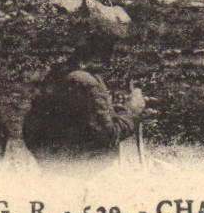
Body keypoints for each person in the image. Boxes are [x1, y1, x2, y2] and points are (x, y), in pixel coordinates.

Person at [22, 28, 146, 165]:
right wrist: (132, 111)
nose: (110, 56)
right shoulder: (86, 82)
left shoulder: (56, 75)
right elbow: (108, 135)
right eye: (109, 48)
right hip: (83, 170)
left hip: (54, 165)